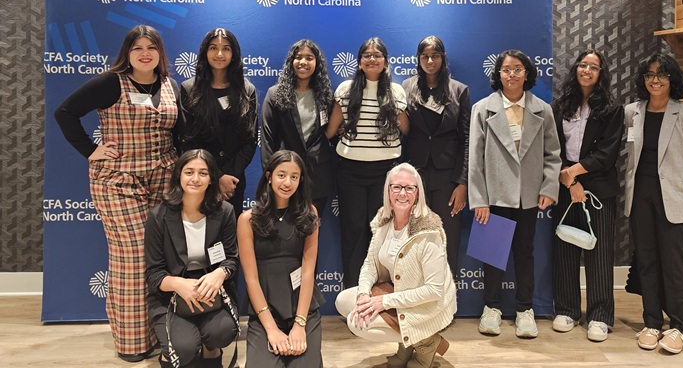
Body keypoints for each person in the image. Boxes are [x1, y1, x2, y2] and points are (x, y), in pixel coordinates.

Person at [54, 24, 181, 362]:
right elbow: (64, 113)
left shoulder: (171, 86)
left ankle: (161, 335)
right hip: (118, 181)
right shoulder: (111, 82)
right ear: (127, 52)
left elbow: (180, 134)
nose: (144, 53)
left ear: (159, 53)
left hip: (163, 179)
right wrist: (90, 149)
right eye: (137, 47)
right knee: (133, 258)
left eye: (151, 47)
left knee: (160, 258)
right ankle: (133, 343)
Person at [468, 49, 560, 339]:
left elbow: (553, 154)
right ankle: (491, 308)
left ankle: (525, 310)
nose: (511, 75)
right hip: (494, 195)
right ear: (498, 74)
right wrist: (479, 198)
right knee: (492, 254)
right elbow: (475, 158)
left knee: (524, 252)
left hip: (528, 195)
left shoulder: (542, 110)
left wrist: (548, 187)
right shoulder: (482, 108)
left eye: (517, 69)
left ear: (527, 73)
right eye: (506, 70)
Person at [624, 53, 683, 354]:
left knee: (674, 264)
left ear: (673, 79)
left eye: (661, 74)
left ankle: (680, 327)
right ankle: (651, 322)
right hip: (640, 196)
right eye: (649, 75)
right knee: (646, 260)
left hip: (674, 196)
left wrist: (682, 188)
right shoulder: (632, 112)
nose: (655, 80)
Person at [335, 163, 456, 368]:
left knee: (359, 325)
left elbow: (434, 290)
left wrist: (384, 302)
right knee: (344, 302)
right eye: (396, 187)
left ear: (417, 194)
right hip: (398, 295)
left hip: (427, 305)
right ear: (388, 191)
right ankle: (409, 342)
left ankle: (426, 343)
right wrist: (364, 294)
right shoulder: (384, 221)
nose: (402, 193)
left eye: (409, 188)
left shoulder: (429, 233)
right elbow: (370, 265)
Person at [550, 50, 623, 342]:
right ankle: (567, 309)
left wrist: (575, 174)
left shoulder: (611, 108)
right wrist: (569, 181)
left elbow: (607, 153)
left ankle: (599, 315)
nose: (587, 70)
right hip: (566, 186)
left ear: (601, 73)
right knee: (566, 249)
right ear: (575, 69)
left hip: (599, 189)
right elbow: (552, 149)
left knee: (599, 253)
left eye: (594, 67)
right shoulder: (560, 106)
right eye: (583, 65)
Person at [325, 37, 409, 287]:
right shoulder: (345, 90)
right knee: (354, 235)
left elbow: (405, 130)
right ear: (360, 62)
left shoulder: (397, 92)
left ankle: (381, 294)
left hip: (385, 173)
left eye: (377, 55)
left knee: (382, 235)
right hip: (350, 171)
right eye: (367, 55)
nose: (372, 59)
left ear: (385, 62)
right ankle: (354, 292)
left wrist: (396, 110)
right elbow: (331, 131)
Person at [144, 149, 240, 368]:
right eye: (189, 172)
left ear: (211, 179)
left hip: (211, 292)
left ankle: (211, 350)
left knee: (222, 333)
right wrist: (179, 284)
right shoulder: (159, 216)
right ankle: (169, 355)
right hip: (171, 295)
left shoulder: (224, 212)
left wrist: (218, 274)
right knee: (184, 348)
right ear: (179, 175)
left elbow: (231, 260)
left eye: (203, 173)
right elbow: (154, 273)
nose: (195, 179)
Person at [238, 150, 324, 368]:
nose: (287, 182)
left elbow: (307, 271)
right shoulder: (247, 220)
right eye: (281, 175)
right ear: (269, 176)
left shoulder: (309, 213)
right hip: (266, 309)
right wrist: (271, 329)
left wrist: (299, 324)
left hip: (302, 308)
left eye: (294, 177)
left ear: (300, 180)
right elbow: (251, 280)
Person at [401, 35, 470, 273]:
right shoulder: (407, 87)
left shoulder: (458, 90)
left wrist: (462, 183)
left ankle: (446, 301)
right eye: (425, 56)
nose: (430, 61)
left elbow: (467, 139)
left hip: (447, 178)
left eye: (435, 55)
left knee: (446, 238)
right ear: (418, 59)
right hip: (414, 175)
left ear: (443, 58)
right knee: (415, 237)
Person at [181, 28, 258, 217]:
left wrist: (228, 176)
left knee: (230, 236)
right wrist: (216, 176)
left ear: (234, 54)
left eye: (226, 48)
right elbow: (187, 140)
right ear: (205, 52)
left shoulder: (246, 90)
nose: (220, 54)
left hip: (233, 181)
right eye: (213, 48)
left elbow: (250, 141)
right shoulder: (189, 89)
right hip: (199, 179)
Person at [262, 39, 337, 218]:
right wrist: (270, 173)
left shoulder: (326, 96)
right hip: (285, 177)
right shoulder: (275, 94)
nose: (303, 62)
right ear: (291, 62)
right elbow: (267, 137)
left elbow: (331, 135)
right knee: (284, 231)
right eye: (298, 57)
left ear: (317, 63)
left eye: (309, 58)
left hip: (318, 177)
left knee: (312, 230)